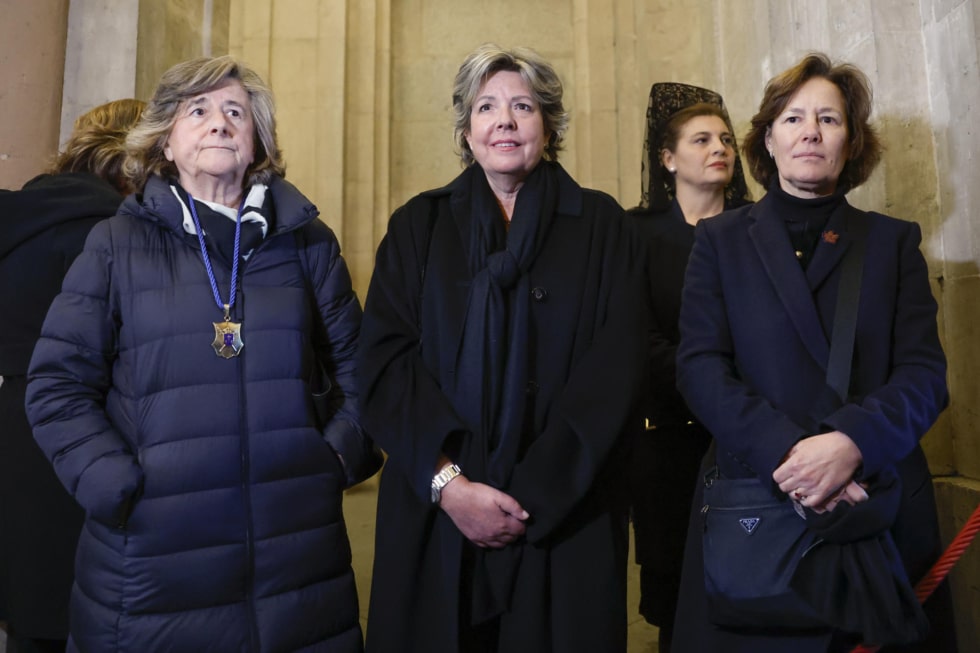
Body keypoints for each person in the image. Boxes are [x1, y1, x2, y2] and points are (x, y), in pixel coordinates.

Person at [25, 56, 372, 652]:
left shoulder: (306, 240)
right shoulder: (117, 242)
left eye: (236, 111)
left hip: (296, 556)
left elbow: (366, 370)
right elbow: (56, 385)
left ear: (257, 138)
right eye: (198, 110)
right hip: (152, 565)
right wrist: (116, 486)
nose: (219, 123)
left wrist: (333, 461)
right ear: (166, 138)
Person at [357, 43, 647, 653]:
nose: (505, 121)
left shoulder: (604, 227)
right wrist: (451, 487)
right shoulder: (418, 226)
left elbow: (616, 370)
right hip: (438, 510)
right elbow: (386, 366)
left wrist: (531, 502)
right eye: (486, 107)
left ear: (549, 125)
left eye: (523, 106)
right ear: (467, 130)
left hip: (565, 514)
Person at [672, 53, 956, 652]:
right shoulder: (720, 242)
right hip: (756, 495)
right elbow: (699, 368)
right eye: (794, 118)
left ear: (851, 143)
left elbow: (925, 376)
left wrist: (851, 443)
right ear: (768, 139)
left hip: (873, 500)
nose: (810, 131)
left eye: (829, 119)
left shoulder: (892, 242)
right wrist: (792, 455)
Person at [0, 98, 144, 653]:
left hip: (18, 435)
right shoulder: (120, 229)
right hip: (103, 437)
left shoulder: (18, 220)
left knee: (34, 621)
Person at [625, 82, 750, 653]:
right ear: (668, 158)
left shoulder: (759, 227)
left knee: (757, 583)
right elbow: (634, 336)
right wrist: (709, 382)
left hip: (753, 436)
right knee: (677, 597)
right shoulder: (637, 235)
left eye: (725, 138)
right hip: (668, 442)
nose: (719, 147)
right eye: (701, 139)